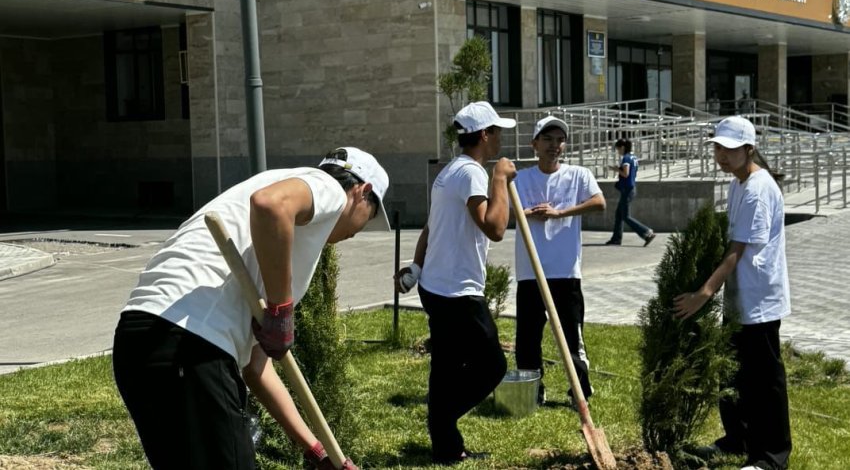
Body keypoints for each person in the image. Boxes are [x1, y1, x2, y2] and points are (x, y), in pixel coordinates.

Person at [112, 147, 389, 470]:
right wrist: (281, 310)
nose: (357, 232)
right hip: (190, 343)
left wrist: (317, 451)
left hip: (140, 340)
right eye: (369, 217)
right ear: (362, 191)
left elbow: (257, 369)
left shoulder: (276, 204)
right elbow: (270, 204)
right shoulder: (327, 188)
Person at [394, 101, 516, 464]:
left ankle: (446, 447)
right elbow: (494, 228)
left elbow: (431, 227)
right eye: (496, 131)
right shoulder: (472, 174)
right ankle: (443, 418)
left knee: (446, 368)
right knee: (492, 366)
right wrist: (499, 179)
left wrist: (416, 267)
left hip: (436, 286)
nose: (500, 138)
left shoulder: (448, 172)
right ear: (484, 135)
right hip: (457, 291)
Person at [673, 116, 792, 470]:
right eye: (717, 148)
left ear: (749, 149)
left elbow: (736, 251)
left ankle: (771, 456)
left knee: (764, 381)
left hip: (760, 300)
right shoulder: (738, 183)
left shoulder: (757, 189)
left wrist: (704, 294)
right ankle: (737, 439)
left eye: (729, 149)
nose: (721, 155)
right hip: (740, 297)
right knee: (733, 375)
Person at [512, 116, 605, 405]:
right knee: (528, 337)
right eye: (548, 139)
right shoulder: (521, 179)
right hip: (530, 271)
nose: (555, 145)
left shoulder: (579, 175)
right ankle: (532, 391)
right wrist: (528, 214)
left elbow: (599, 203)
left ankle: (580, 392)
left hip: (566, 271)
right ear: (535, 144)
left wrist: (559, 213)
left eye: (560, 140)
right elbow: (503, 213)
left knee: (572, 335)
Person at [605, 138, 656, 246]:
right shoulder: (633, 157)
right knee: (619, 215)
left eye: (618, 149)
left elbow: (625, 173)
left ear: (622, 148)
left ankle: (647, 233)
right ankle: (616, 239)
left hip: (627, 189)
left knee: (625, 216)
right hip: (630, 188)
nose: (618, 151)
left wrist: (616, 169)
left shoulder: (626, 158)